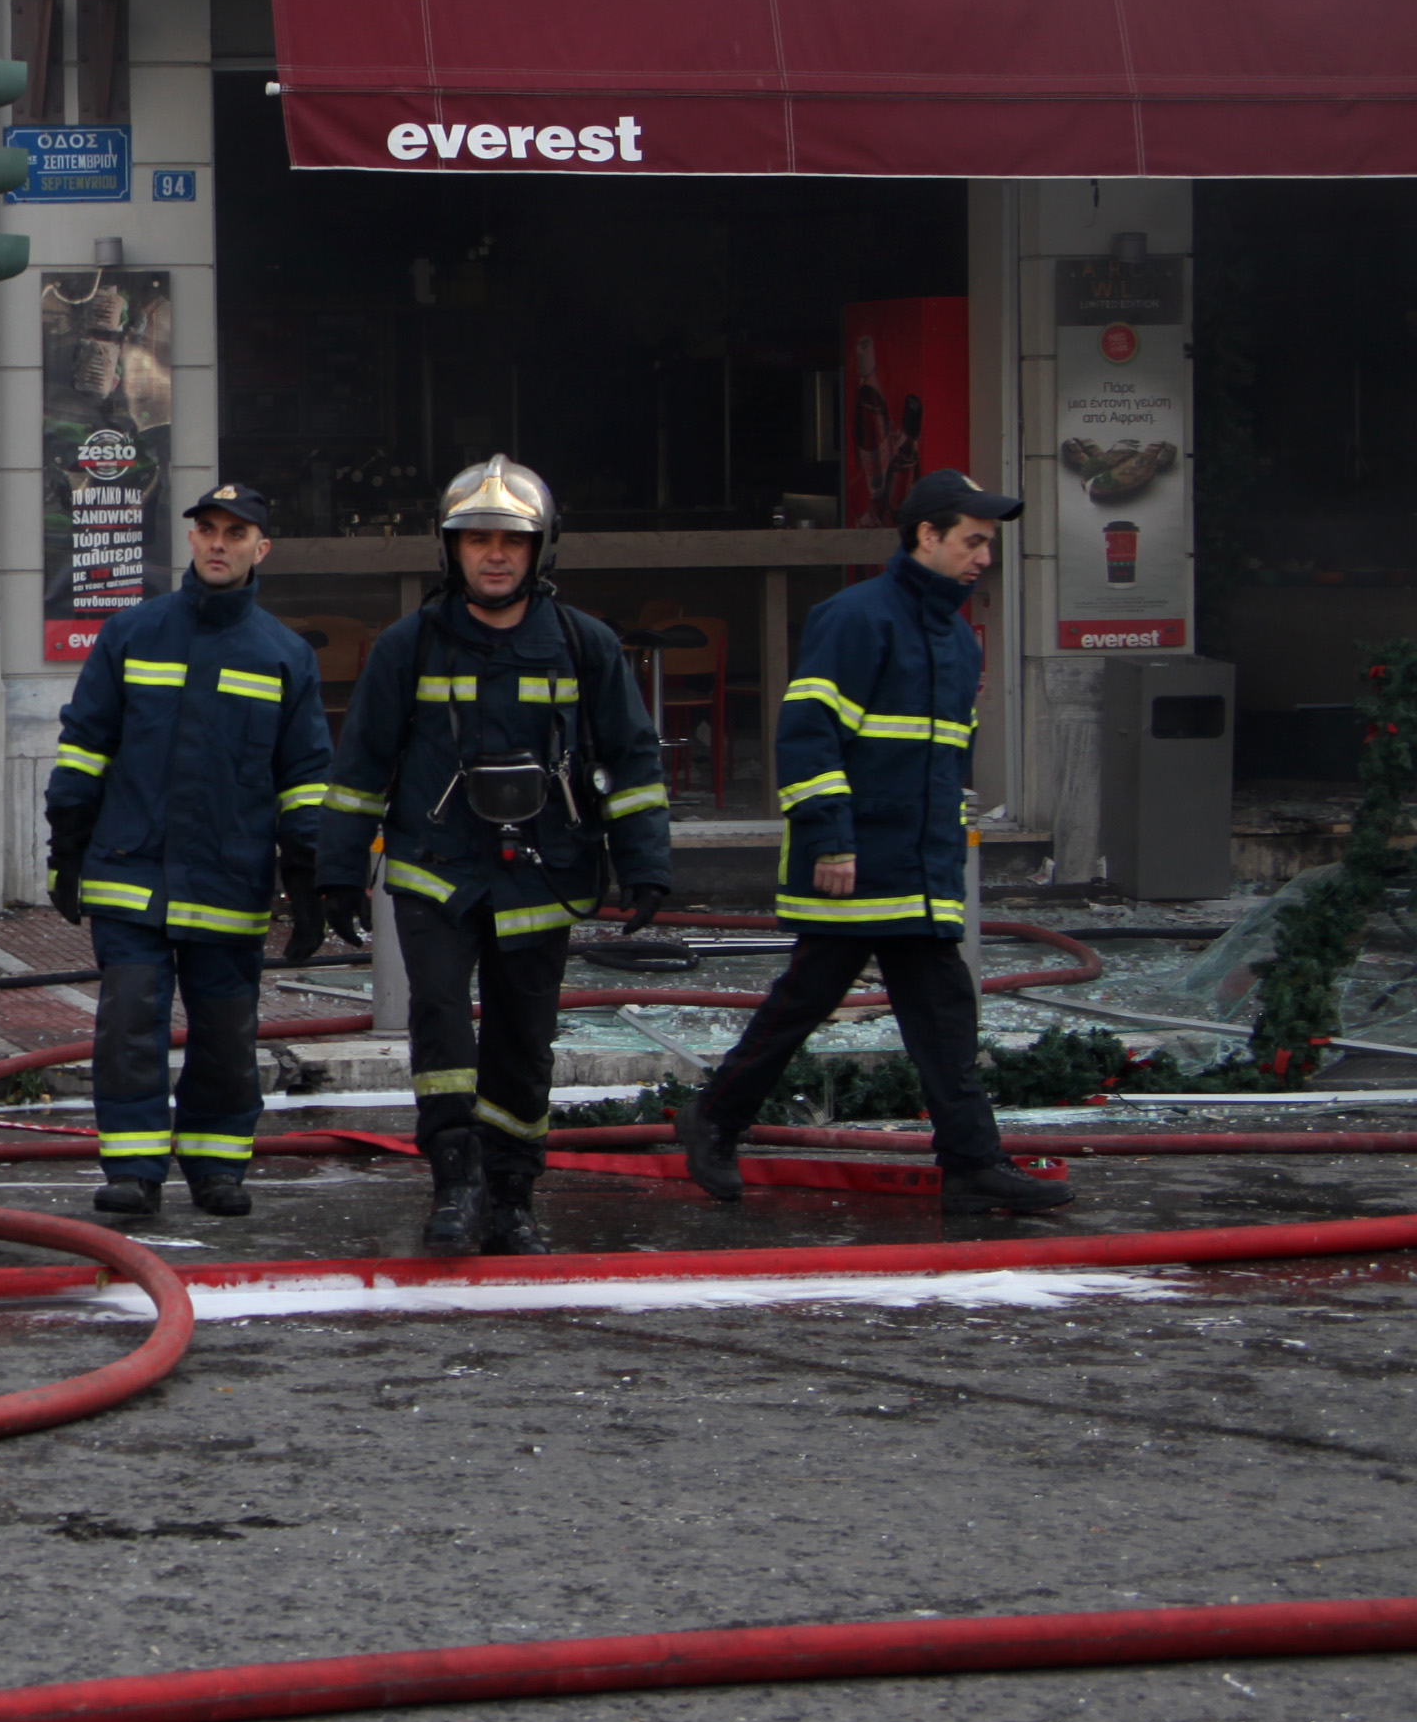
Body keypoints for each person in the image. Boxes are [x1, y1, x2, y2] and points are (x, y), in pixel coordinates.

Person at [681, 468, 1072, 1215]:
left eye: (987, 543)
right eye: (973, 541)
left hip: (916, 867)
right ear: (926, 536)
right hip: (853, 864)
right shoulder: (855, 617)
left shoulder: (956, 637)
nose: (984, 557)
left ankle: (971, 1163)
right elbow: (807, 735)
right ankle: (715, 1119)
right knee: (804, 1003)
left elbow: (946, 758)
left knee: (944, 1016)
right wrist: (830, 840)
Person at [314, 458, 675, 1257]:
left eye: (511, 539)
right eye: (477, 539)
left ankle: (512, 1196)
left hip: (542, 876)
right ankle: (454, 1185)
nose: (495, 555)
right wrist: (336, 871)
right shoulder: (409, 646)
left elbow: (631, 758)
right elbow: (361, 764)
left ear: (541, 549)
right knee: (440, 1027)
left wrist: (646, 862)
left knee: (523, 1041)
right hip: (435, 872)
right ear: (452, 552)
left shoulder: (585, 646)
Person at [41, 483, 329, 1221]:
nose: (219, 543)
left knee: (226, 1037)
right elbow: (86, 747)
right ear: (193, 539)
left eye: (236, 533)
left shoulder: (284, 655)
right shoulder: (131, 634)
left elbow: (304, 778)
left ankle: (216, 1166)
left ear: (262, 549)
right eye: (208, 529)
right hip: (130, 873)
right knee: (130, 1024)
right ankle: (134, 1169)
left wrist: (308, 876)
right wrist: (67, 846)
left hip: (229, 879)